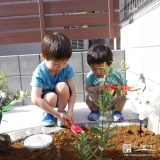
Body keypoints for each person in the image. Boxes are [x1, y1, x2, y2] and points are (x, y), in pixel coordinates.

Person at [30, 32, 76, 127]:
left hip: (61, 99)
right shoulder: (39, 72)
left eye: (64, 62)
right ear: (43, 57)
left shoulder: (66, 68)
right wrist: (56, 115)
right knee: (51, 97)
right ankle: (49, 113)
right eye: (55, 63)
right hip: (47, 101)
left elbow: (73, 91)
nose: (60, 67)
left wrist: (70, 111)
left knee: (63, 86)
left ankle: (62, 111)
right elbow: (35, 98)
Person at [84, 44, 127, 122]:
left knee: (122, 95)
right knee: (89, 96)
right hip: (99, 103)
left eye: (101, 68)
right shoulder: (91, 75)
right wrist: (96, 89)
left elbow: (124, 85)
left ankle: (117, 112)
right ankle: (95, 111)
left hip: (113, 102)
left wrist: (117, 90)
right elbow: (87, 88)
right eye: (93, 68)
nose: (97, 72)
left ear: (110, 64)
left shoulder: (116, 73)